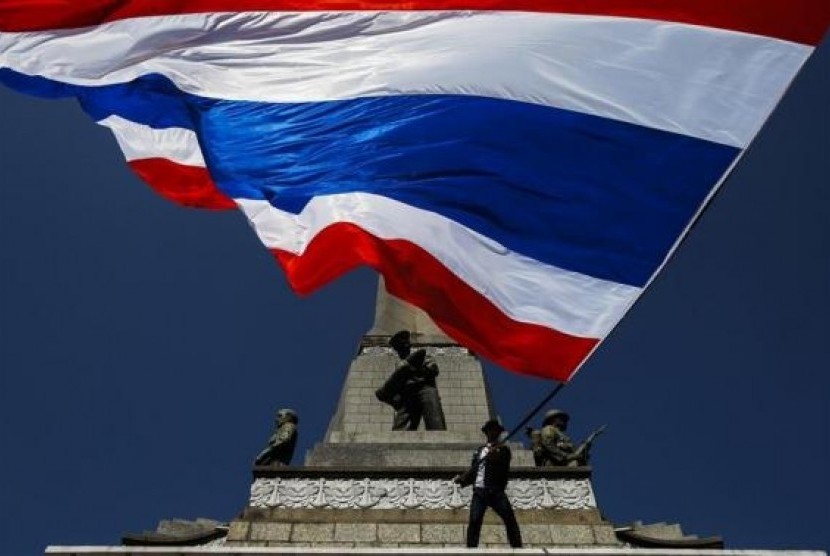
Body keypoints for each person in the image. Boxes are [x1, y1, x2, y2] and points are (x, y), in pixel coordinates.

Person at [453, 419, 522, 548]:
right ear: (487, 432)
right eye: (490, 430)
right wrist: (462, 479)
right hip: (479, 491)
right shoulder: (479, 451)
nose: (493, 432)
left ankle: (517, 546)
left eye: (495, 430)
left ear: (498, 433)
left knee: (509, 519)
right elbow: (474, 471)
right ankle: (471, 548)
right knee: (474, 520)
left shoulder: (503, 450)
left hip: (495, 491)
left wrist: (495, 456)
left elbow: (504, 466)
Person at [374, 330, 447, 430]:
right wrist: (394, 399)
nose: (403, 347)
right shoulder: (400, 365)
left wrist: (414, 370)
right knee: (400, 427)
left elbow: (433, 369)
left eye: (404, 344)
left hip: (425, 389)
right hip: (408, 394)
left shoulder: (422, 356)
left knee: (435, 421)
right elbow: (395, 384)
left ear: (408, 345)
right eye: (399, 347)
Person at [536, 409, 605, 467]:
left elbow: (575, 452)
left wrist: (586, 446)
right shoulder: (549, 429)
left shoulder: (563, 435)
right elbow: (548, 444)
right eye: (561, 419)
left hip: (566, 461)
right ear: (553, 419)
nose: (565, 422)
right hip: (555, 462)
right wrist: (565, 456)